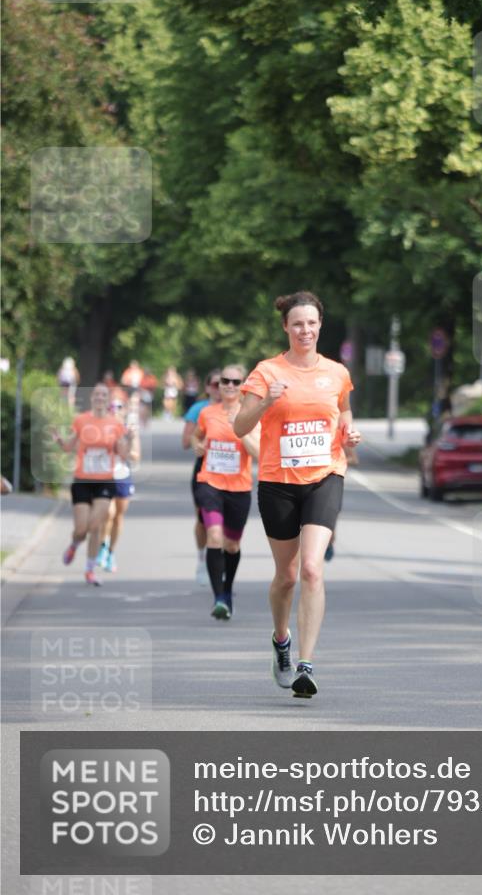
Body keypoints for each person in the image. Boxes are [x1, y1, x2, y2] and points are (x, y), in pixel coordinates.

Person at [234, 291, 361, 698]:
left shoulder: (337, 373)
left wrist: (350, 436)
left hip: (325, 475)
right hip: (278, 483)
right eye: (297, 324)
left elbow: (342, 414)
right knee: (286, 576)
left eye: (311, 322)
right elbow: (239, 426)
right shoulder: (266, 372)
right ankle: (281, 641)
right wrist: (266, 402)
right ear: (286, 328)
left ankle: (306, 664)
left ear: (320, 324)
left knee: (311, 568)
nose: (305, 330)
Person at [192, 364, 260, 619]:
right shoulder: (207, 413)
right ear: (218, 385)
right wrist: (197, 445)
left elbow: (259, 453)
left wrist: (239, 430)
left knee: (232, 545)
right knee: (214, 537)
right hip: (209, 483)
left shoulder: (251, 416)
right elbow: (196, 437)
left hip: (239, 489)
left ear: (243, 387)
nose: (229, 385)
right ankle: (218, 597)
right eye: (225, 381)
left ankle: (228, 590)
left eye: (235, 381)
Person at [52, 383, 128, 586]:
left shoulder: (115, 423)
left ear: (108, 399)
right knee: (81, 529)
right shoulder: (81, 420)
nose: (100, 398)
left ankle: (89, 570)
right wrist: (59, 440)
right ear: (92, 397)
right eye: (97, 394)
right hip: (82, 480)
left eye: (104, 395)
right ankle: (75, 544)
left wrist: (127, 439)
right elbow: (69, 447)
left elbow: (123, 454)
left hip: (104, 481)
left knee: (95, 526)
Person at [181, 369, 221, 585]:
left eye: (222, 383)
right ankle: (202, 558)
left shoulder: (235, 409)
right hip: (204, 468)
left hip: (230, 471)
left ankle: (219, 561)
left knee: (225, 521)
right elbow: (186, 442)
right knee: (203, 519)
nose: (219, 388)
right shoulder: (199, 409)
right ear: (207, 388)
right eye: (214, 384)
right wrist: (202, 436)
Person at [97, 391, 140, 573]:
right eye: (111, 407)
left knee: (118, 517)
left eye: (119, 407)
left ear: (124, 411)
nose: (115, 410)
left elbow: (136, 456)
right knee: (108, 512)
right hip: (104, 476)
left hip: (122, 475)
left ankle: (111, 552)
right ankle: (102, 546)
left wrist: (128, 442)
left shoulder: (129, 431)